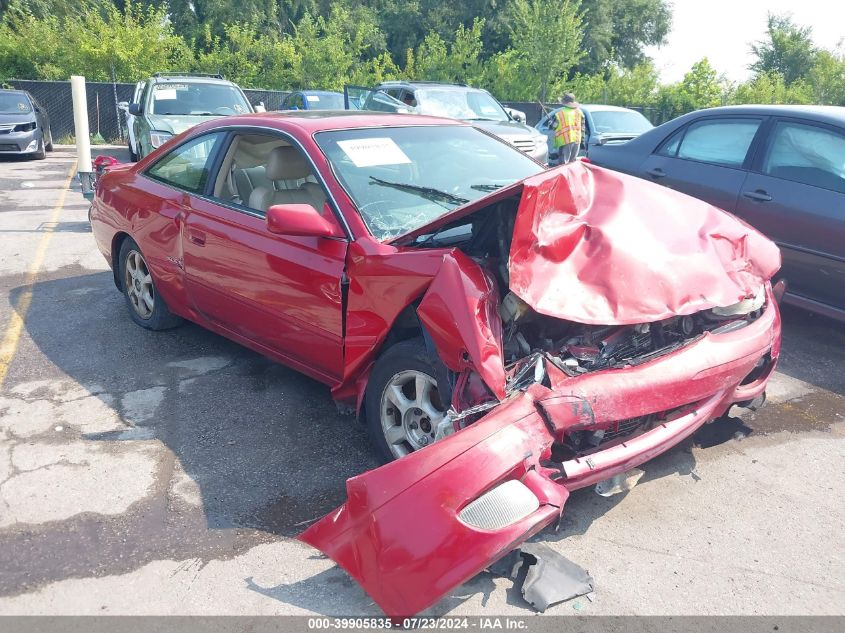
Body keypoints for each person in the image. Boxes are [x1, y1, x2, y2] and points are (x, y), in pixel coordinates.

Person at [551, 93, 583, 165]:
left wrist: (551, 122)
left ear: (564, 103)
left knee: (563, 164)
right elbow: (582, 127)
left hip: (565, 141)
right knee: (572, 163)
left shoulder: (560, 113)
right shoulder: (579, 112)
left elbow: (553, 126)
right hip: (577, 140)